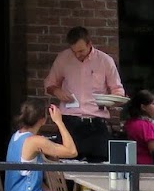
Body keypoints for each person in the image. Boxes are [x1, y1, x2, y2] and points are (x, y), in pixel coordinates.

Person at [43, 27, 124, 162]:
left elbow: (117, 90)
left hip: (96, 122)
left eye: (81, 51)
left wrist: (112, 100)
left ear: (89, 44)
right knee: (65, 164)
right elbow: (50, 84)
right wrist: (57, 91)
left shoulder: (105, 60)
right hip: (70, 121)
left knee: (100, 166)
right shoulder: (64, 58)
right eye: (74, 51)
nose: (77, 55)